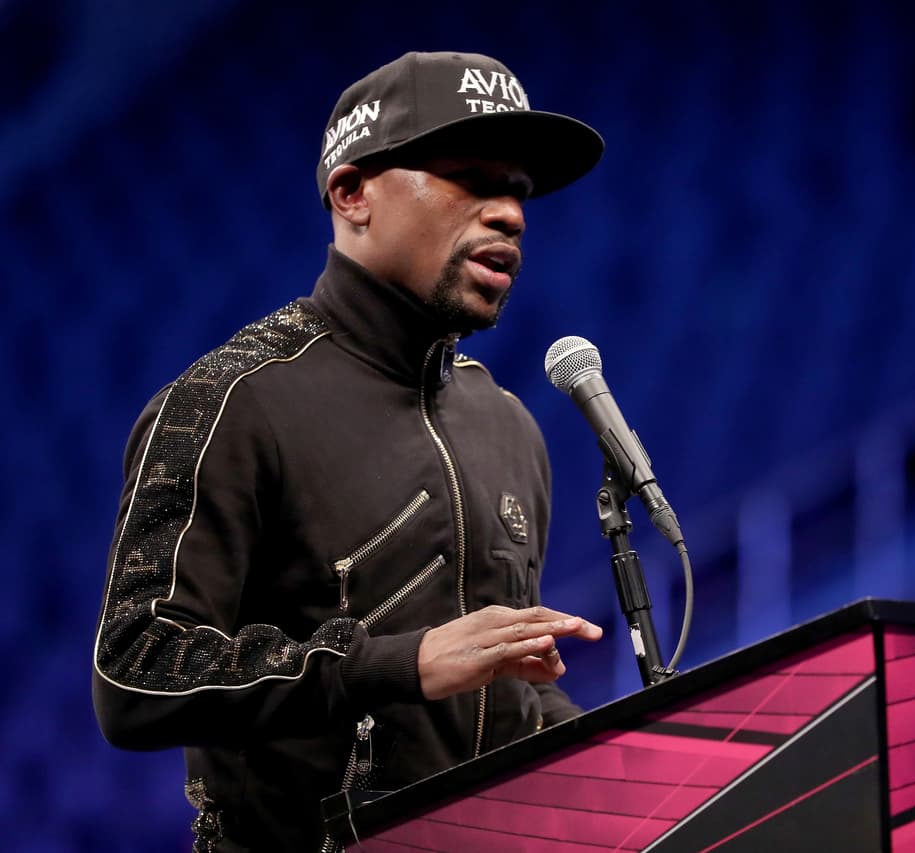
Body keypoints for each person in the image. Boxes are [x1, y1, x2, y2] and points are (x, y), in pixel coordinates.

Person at [92, 51, 606, 851]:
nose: (509, 212)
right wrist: (388, 663)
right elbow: (134, 669)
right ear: (352, 192)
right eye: (471, 176)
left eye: (517, 190)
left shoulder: (509, 424)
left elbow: (496, 699)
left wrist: (626, 757)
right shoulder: (228, 403)